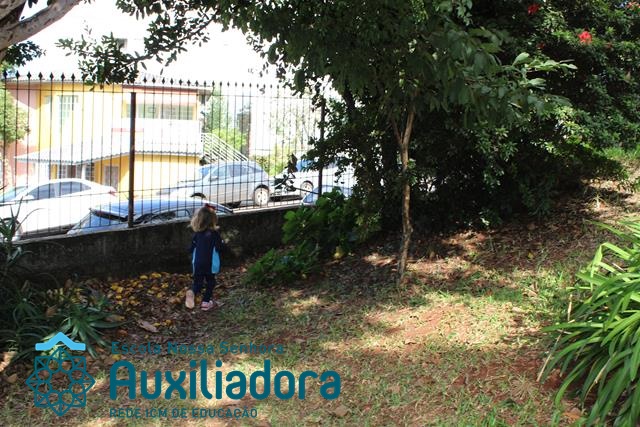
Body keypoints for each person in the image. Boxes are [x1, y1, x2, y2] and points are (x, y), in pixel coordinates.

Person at [186, 203, 224, 311]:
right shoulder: (214, 234)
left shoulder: (197, 235)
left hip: (197, 263)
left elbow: (190, 249)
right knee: (211, 282)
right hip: (210, 264)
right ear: (213, 220)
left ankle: (192, 292)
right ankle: (205, 302)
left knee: (198, 283)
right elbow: (220, 247)